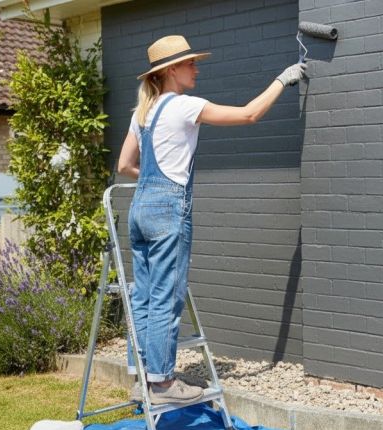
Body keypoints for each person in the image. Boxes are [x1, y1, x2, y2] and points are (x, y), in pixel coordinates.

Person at [117, 35, 305, 404]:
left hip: (140, 210)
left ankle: (142, 377)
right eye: (190, 64)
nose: (196, 68)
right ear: (171, 70)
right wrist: (284, 79)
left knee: (142, 298)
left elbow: (124, 166)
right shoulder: (184, 106)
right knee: (165, 299)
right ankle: (162, 385)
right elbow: (249, 114)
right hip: (168, 211)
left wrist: (156, 182)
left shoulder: (144, 112)